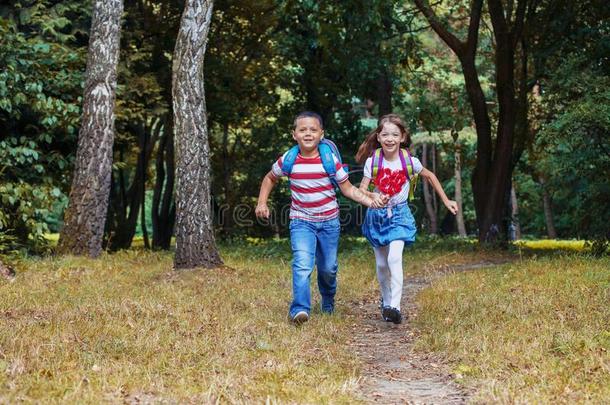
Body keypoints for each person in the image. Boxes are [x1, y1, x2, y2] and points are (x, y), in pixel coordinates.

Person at [255, 111, 385, 325]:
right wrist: (261, 202)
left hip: (329, 222)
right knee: (302, 263)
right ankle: (300, 309)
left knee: (328, 267)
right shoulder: (288, 159)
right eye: (302, 129)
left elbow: (348, 189)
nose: (308, 133)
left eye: (313, 130)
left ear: (321, 134)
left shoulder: (329, 160)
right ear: (294, 134)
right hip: (301, 221)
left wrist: (370, 201)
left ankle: (327, 298)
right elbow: (270, 178)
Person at [355, 114, 458, 324]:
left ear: (402, 137)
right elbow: (362, 189)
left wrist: (447, 201)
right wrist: (373, 196)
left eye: (395, 134)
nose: (390, 139)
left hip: (400, 214)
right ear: (379, 137)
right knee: (382, 265)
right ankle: (386, 302)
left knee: (394, 258)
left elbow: (430, 176)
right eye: (385, 134)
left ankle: (395, 306)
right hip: (377, 216)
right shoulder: (372, 161)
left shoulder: (410, 162)